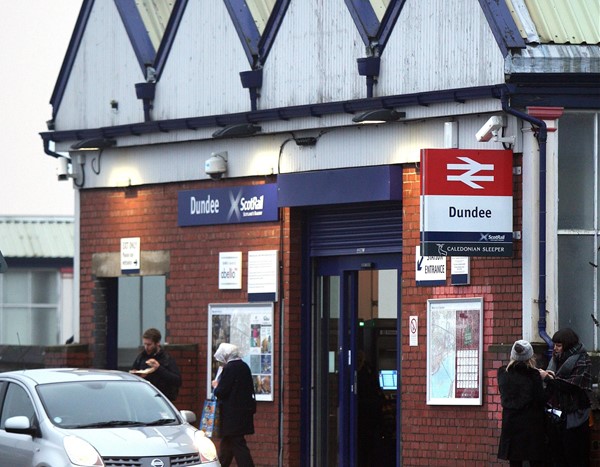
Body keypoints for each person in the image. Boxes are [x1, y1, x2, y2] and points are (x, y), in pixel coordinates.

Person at [539, 328, 592, 466]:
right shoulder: (556, 360)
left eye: (559, 345)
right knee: (557, 455)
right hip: (556, 414)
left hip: (575, 414)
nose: (555, 348)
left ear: (568, 345)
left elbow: (571, 386)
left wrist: (548, 379)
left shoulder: (582, 359)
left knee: (575, 455)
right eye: (555, 344)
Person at [497, 339, 547, 467]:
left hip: (511, 425)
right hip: (531, 426)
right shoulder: (533, 375)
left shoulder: (502, 373)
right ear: (530, 356)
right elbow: (541, 399)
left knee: (515, 461)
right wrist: (547, 380)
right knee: (535, 461)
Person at [212, 343, 256, 467]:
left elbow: (222, 391)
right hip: (243, 412)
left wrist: (216, 386)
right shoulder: (244, 366)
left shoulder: (230, 368)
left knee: (238, 444)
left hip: (231, 414)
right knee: (227, 444)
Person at [130, 327, 182, 402]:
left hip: (162, 399)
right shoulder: (141, 357)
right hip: (144, 398)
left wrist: (159, 368)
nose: (146, 347)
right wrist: (137, 374)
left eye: (149, 344)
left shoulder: (166, 358)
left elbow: (177, 381)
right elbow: (133, 373)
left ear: (157, 343)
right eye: (145, 344)